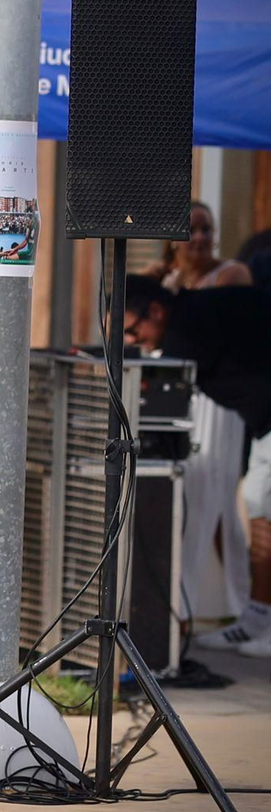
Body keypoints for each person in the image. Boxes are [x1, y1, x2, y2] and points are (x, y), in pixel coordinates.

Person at [125, 276, 271, 658]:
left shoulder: (187, 328)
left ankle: (261, 621)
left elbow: (162, 377)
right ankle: (257, 617)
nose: (131, 339)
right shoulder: (194, 313)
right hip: (263, 423)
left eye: (131, 329)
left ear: (156, 311)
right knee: (259, 504)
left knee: (262, 508)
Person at [141, 204, 254, 642]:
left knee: (210, 496)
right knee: (181, 497)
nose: (202, 238)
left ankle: (197, 607)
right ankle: (205, 603)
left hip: (215, 402)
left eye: (208, 229)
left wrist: (164, 286)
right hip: (172, 399)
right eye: (192, 229)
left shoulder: (231, 274)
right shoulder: (166, 282)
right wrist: (157, 279)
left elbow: (203, 319)